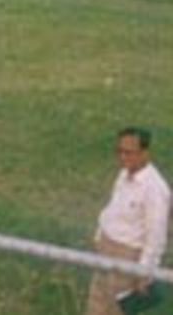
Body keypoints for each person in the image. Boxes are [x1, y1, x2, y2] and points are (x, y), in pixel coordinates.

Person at [85, 127, 171, 315]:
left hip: (127, 255)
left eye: (129, 153)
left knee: (116, 309)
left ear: (145, 153)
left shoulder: (155, 190)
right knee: (96, 302)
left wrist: (144, 272)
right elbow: (113, 207)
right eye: (119, 151)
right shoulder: (124, 174)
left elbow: (156, 236)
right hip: (106, 247)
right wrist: (100, 235)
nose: (123, 157)